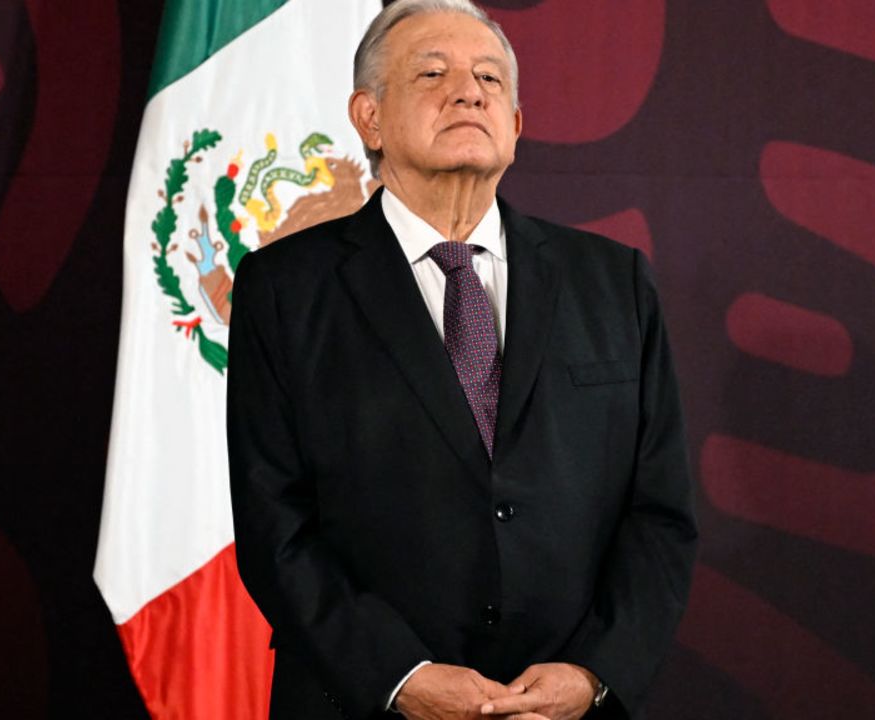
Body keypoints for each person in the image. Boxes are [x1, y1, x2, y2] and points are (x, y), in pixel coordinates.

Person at [226, 1, 698, 718]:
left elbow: (660, 513)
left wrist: (594, 672)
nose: (469, 91)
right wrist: (399, 677)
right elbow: (275, 525)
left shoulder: (615, 284)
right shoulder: (286, 289)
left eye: (489, 79)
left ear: (513, 124)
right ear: (369, 117)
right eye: (432, 73)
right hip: (362, 700)